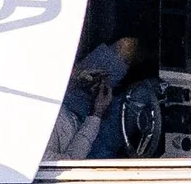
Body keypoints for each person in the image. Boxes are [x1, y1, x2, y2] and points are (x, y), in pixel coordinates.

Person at [50, 33, 139, 161]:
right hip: (83, 136)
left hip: (65, 99)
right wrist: (96, 113)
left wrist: (76, 78)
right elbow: (72, 161)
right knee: (140, 97)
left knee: (127, 46)